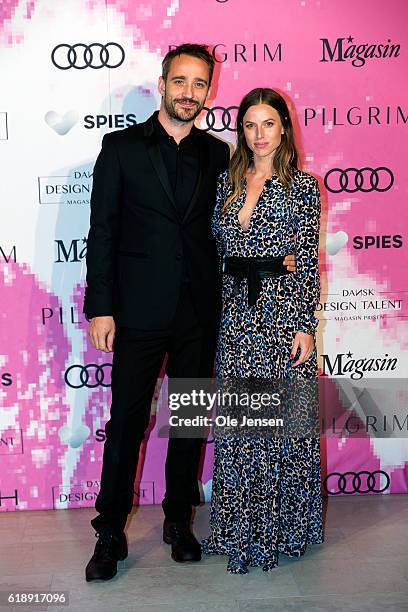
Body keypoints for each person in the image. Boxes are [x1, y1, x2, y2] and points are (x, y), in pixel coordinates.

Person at [83, 45, 297, 582]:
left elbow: (232, 231)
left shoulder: (219, 155)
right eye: (180, 81)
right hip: (136, 312)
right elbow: (103, 233)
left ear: (209, 91)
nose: (188, 92)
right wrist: (101, 308)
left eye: (199, 84)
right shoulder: (120, 148)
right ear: (162, 83)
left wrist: (281, 267)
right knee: (127, 422)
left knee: (189, 424)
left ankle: (179, 522)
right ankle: (110, 532)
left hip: (200, 314)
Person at [200, 88, 324, 574]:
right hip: (235, 318)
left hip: (280, 317)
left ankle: (281, 531)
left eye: (268, 123)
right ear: (241, 131)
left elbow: (307, 260)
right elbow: (217, 251)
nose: (259, 134)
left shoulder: (302, 186)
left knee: (279, 428)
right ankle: (236, 528)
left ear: (283, 128)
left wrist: (304, 326)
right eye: (250, 125)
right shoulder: (226, 182)